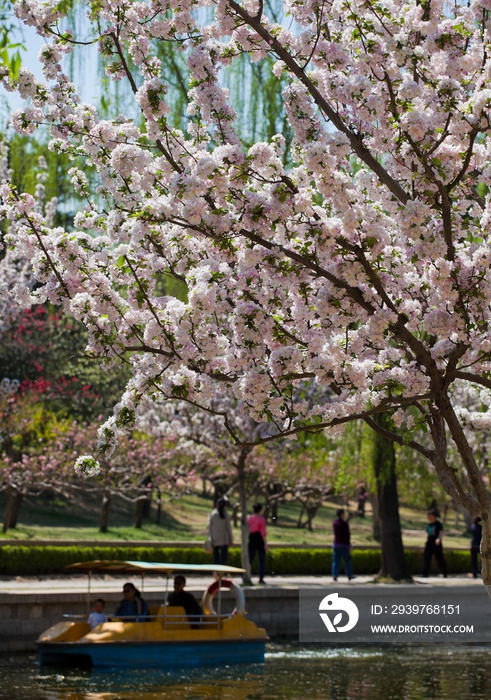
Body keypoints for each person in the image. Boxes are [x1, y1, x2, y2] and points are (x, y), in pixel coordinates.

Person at [208, 497, 234, 565]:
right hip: (224, 540)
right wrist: (231, 540)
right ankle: (221, 574)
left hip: (214, 539)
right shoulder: (227, 515)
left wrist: (210, 538)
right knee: (223, 559)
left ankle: (215, 574)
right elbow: (229, 528)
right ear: (225, 506)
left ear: (217, 504)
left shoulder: (212, 514)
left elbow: (209, 527)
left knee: (215, 558)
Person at [332, 508, 356, 581]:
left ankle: (335, 575)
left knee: (336, 561)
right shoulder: (344, 524)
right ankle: (349, 575)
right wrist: (349, 545)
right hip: (344, 545)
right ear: (342, 515)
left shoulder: (335, 523)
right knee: (347, 560)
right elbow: (347, 536)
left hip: (336, 545)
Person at [423, 509, 447, 578]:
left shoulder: (438, 524)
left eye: (430, 515)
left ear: (434, 516)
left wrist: (438, 539)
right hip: (429, 544)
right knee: (427, 558)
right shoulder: (428, 524)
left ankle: (445, 573)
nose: (428, 517)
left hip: (437, 544)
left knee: (440, 558)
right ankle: (425, 574)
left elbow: (441, 532)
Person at [248, 502, 267, 584]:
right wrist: (265, 543)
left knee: (250, 559)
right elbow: (263, 532)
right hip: (259, 538)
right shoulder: (261, 519)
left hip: (252, 538)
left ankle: (246, 575)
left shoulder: (249, 518)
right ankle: (261, 578)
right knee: (261, 560)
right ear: (260, 510)